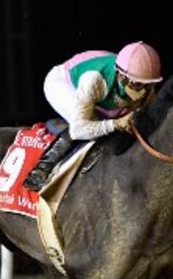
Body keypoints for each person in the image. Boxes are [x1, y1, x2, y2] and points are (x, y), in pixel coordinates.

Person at [22, 41, 163, 191]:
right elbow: (79, 130)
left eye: (147, 85)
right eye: (138, 85)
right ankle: (41, 170)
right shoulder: (95, 80)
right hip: (64, 83)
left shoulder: (144, 83)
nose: (143, 92)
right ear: (122, 76)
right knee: (91, 126)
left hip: (100, 95)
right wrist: (116, 124)